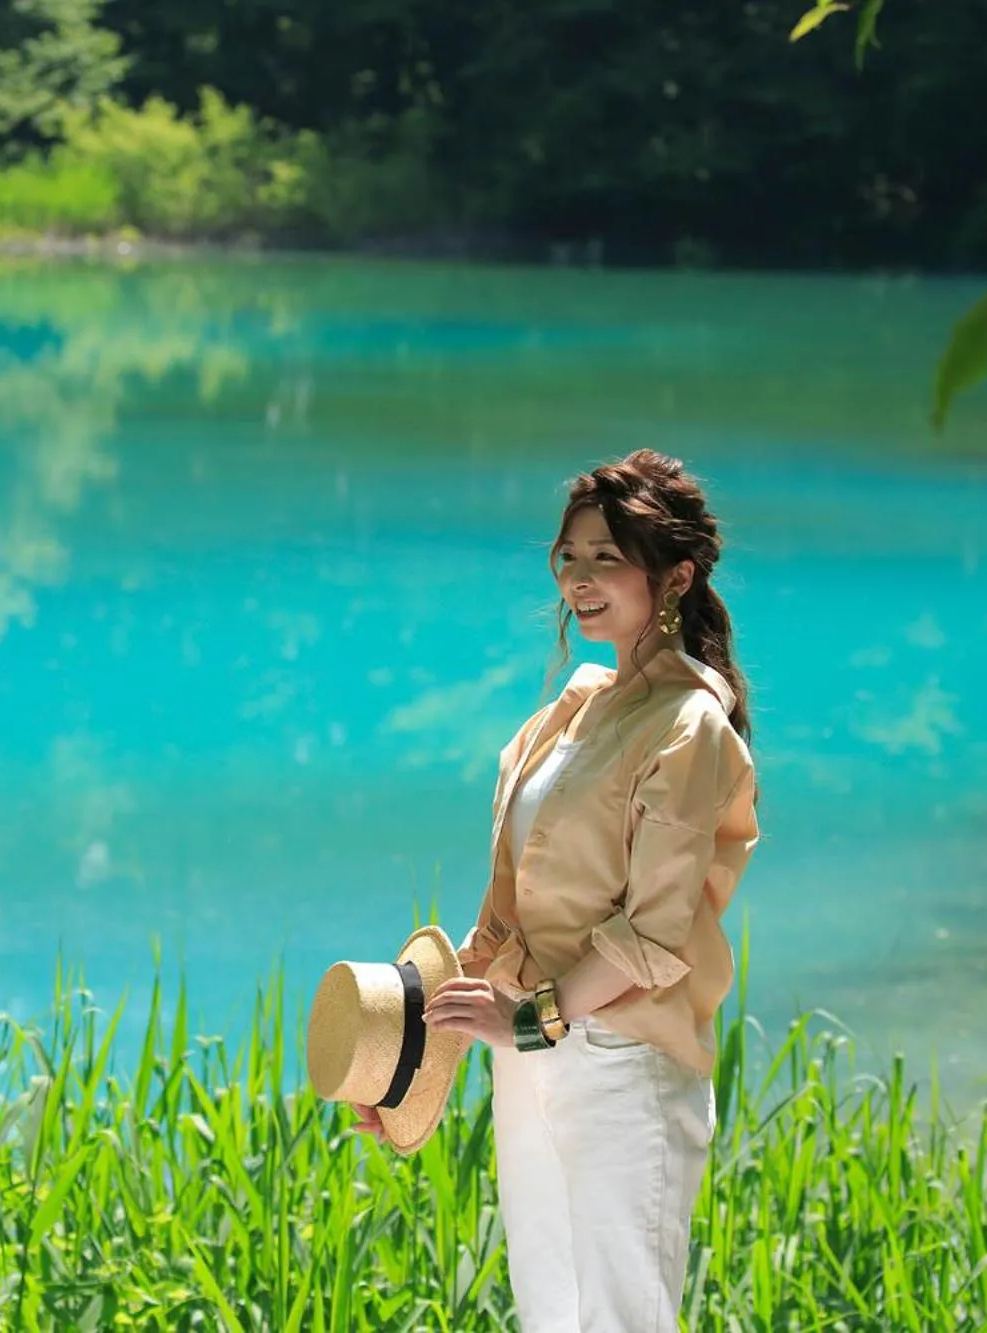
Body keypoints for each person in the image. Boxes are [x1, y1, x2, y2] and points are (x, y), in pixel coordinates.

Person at [353, 449, 760, 1332]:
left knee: (620, 1320)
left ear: (676, 575)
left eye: (607, 557)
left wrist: (528, 1020)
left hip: (622, 1061)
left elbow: (651, 936)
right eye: (569, 555)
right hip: (530, 1054)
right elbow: (503, 923)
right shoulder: (567, 714)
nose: (578, 578)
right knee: (551, 1315)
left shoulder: (690, 724)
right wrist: (408, 1067)